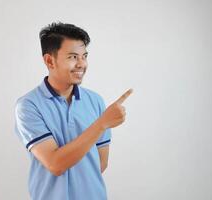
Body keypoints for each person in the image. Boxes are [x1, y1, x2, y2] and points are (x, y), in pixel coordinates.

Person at [14, 21, 133, 200]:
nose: (81, 64)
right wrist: (102, 123)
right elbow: (55, 164)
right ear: (49, 60)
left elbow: (101, 163)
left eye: (84, 56)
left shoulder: (95, 101)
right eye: (72, 57)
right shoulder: (28, 106)